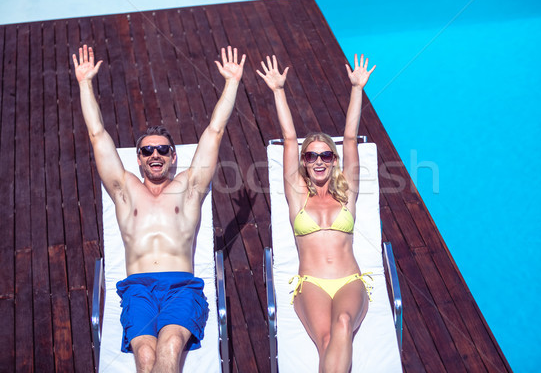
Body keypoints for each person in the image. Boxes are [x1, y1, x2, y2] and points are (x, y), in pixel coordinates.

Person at [73, 44, 245, 373]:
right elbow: (97, 134)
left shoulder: (189, 188)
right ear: (137, 158)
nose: (156, 155)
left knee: (169, 344)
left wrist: (232, 83)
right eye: (148, 150)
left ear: (173, 156)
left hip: (181, 287)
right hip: (137, 289)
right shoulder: (124, 191)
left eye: (163, 150)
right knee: (147, 357)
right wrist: (84, 83)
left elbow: (215, 131)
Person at [257, 54, 375, 372]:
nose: (319, 160)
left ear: (334, 160)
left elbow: (350, 138)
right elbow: (290, 138)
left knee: (343, 324)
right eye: (311, 156)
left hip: (349, 280)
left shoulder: (347, 191)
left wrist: (356, 88)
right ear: (304, 162)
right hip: (311, 284)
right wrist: (278, 90)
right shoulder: (296, 195)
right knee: (326, 341)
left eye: (325, 154)